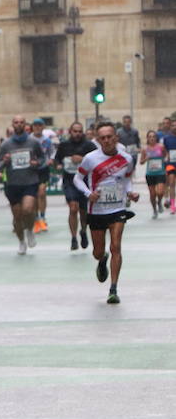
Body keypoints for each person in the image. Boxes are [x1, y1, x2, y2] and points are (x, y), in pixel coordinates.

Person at [73, 122, 137, 304]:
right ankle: (102, 261)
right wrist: (88, 194)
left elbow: (127, 179)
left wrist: (130, 192)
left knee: (116, 247)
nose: (107, 140)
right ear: (98, 140)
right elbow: (77, 178)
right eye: (103, 138)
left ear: (116, 137)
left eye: (110, 137)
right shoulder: (90, 158)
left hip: (117, 208)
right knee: (98, 252)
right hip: (97, 210)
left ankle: (113, 289)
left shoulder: (126, 158)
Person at [0, 116, 46, 255]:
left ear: (26, 125)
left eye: (21, 122)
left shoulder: (33, 142)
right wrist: (5, 161)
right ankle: (21, 242)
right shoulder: (6, 144)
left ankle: (30, 230)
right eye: (16, 122)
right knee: (17, 217)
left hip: (30, 181)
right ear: (12, 125)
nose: (18, 125)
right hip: (13, 184)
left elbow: (42, 158)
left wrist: (37, 163)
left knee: (28, 210)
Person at [55, 122, 96, 249]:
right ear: (70, 132)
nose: (77, 134)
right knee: (73, 208)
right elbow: (57, 159)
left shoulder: (89, 145)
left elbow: (97, 160)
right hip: (69, 181)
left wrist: (82, 159)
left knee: (83, 212)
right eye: (75, 131)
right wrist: (58, 165)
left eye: (79, 131)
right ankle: (73, 238)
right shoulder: (64, 145)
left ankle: (83, 231)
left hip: (84, 182)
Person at [29, 118, 54, 233]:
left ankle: (43, 217)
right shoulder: (29, 139)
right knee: (33, 196)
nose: (38, 128)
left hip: (43, 168)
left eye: (40, 126)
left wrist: (51, 160)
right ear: (32, 127)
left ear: (43, 127)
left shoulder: (47, 140)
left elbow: (52, 152)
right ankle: (36, 218)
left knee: (42, 192)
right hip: (31, 170)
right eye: (35, 125)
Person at [138, 130, 167, 218]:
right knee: (152, 194)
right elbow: (141, 162)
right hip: (150, 174)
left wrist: (163, 161)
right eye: (150, 137)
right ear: (147, 138)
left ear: (156, 138)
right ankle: (154, 209)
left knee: (160, 191)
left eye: (153, 136)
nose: (152, 138)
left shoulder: (161, 147)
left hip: (160, 172)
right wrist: (146, 158)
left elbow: (165, 155)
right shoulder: (145, 149)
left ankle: (159, 202)